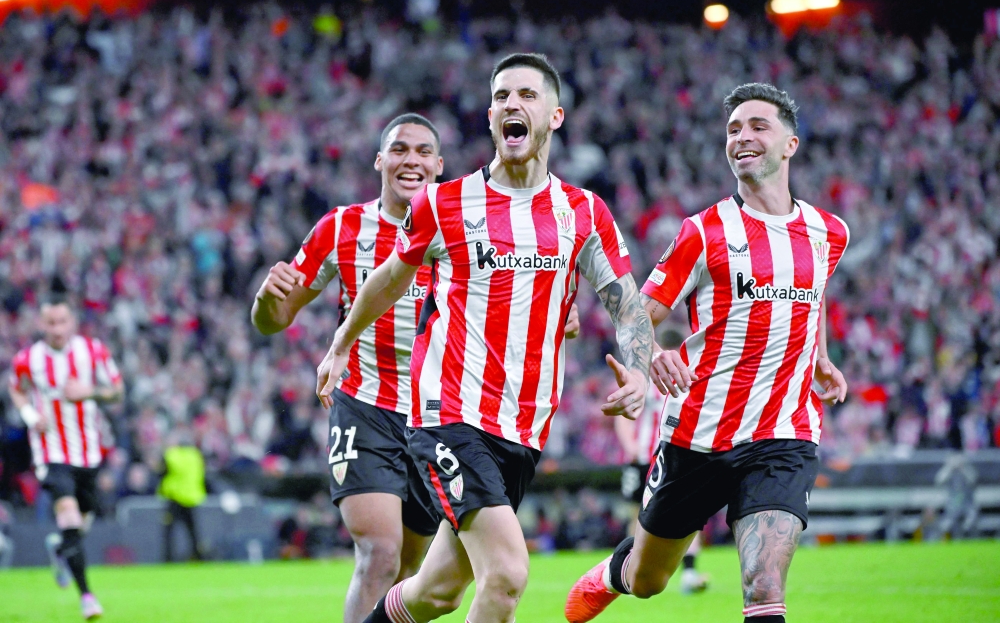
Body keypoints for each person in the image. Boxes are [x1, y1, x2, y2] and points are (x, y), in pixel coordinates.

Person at [316, 52, 656, 623]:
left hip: (522, 428)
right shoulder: (444, 203)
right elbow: (390, 278)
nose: (511, 104)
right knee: (506, 574)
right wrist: (340, 344)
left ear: (555, 116)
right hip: (450, 414)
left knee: (435, 592)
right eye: (501, 96)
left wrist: (640, 371)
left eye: (526, 95)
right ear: (491, 116)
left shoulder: (583, 212)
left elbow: (625, 303)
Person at [252, 113, 581, 622]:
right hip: (366, 404)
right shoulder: (341, 228)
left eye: (424, 151)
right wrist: (266, 301)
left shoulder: (464, 221)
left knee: (412, 568)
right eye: (400, 149)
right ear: (379, 160)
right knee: (380, 553)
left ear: (439, 165)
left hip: (442, 413)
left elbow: (522, 296)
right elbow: (276, 318)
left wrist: (558, 312)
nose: (412, 160)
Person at [565, 82, 850, 623]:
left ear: (791, 144)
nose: (742, 136)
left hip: (784, 432)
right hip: (699, 434)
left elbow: (812, 297)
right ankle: (614, 574)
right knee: (649, 579)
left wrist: (819, 357)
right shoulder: (703, 231)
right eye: (733, 129)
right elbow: (637, 313)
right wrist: (651, 357)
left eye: (758, 126)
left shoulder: (828, 232)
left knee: (763, 583)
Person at [7, 289, 123, 620]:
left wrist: (90, 392)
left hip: (88, 452)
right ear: (41, 323)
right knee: (69, 517)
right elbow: (16, 389)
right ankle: (87, 596)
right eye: (50, 323)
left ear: (72, 322)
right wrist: (30, 415)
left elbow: (117, 391)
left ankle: (60, 549)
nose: (57, 329)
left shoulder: (93, 351)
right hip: (51, 451)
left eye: (62, 321)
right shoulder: (28, 359)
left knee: (82, 522)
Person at [615, 382, 707, 595]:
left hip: (675, 457)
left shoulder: (688, 376)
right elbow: (622, 414)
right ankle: (631, 571)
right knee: (636, 514)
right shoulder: (641, 378)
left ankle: (689, 573)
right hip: (642, 459)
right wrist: (629, 445)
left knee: (689, 512)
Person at [158, 428, 207, 562]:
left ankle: (168, 558)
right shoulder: (196, 455)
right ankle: (197, 555)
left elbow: (161, 472)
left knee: (169, 530)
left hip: (174, 497)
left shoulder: (171, 455)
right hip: (191, 497)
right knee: (192, 530)